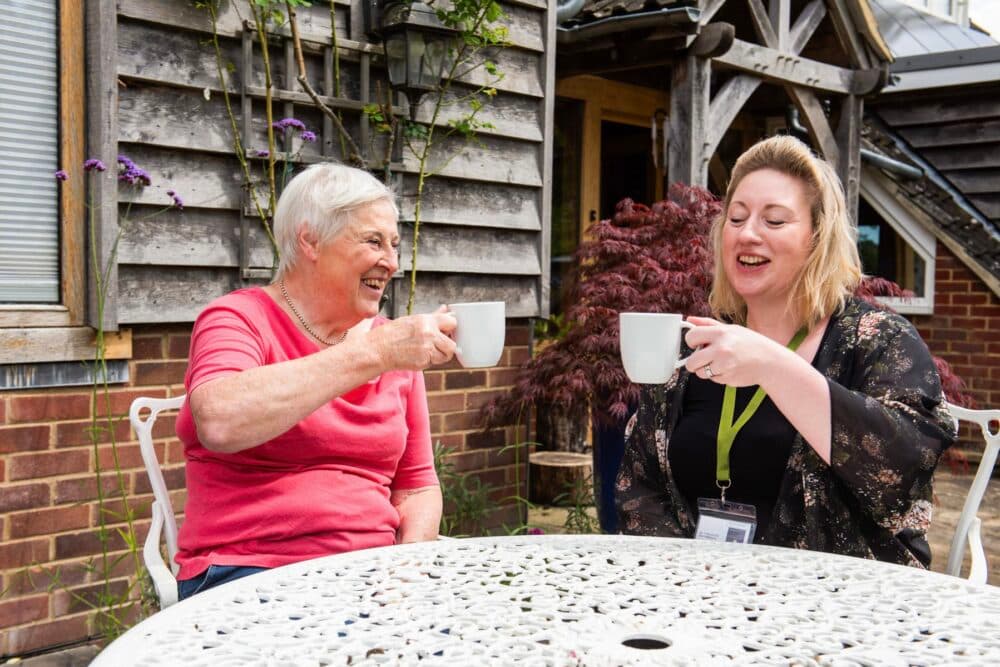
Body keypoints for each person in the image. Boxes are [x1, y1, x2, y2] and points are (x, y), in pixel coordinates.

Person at [615, 135, 956, 566]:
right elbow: (639, 484)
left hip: (840, 605)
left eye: (774, 221)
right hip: (703, 600)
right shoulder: (698, 347)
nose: (748, 234)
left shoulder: (876, 340)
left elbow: (902, 466)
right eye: (736, 219)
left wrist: (772, 366)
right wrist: (685, 577)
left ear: (817, 237)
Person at [173, 163, 457, 599]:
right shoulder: (237, 319)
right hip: (250, 570)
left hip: (373, 574)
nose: (392, 262)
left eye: (395, 245)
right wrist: (375, 354)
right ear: (310, 240)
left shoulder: (395, 346)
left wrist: (407, 573)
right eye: (373, 241)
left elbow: (417, 487)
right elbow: (219, 421)